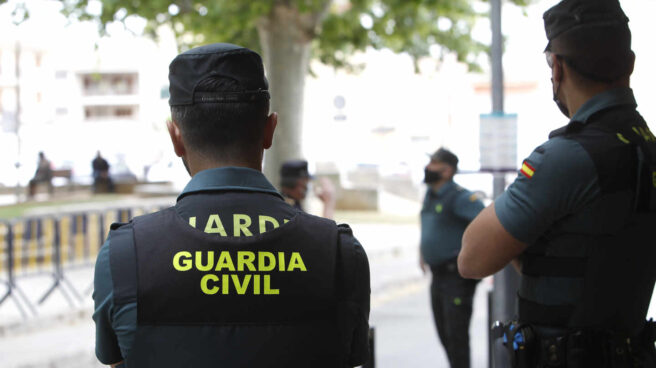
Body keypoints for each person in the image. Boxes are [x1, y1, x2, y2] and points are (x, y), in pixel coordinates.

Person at [92, 43, 371, 368]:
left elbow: (118, 361)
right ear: (269, 130)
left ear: (175, 137)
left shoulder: (126, 254)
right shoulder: (339, 253)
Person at [458, 0, 656, 366]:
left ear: (558, 69)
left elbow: (472, 258)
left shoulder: (567, 157)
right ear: (630, 64)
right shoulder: (645, 147)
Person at [419, 148, 484, 368]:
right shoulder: (430, 194)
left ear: (447, 171)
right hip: (438, 275)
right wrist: (423, 252)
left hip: (455, 277)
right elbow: (429, 227)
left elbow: (484, 226)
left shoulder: (460, 197)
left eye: (434, 163)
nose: (428, 167)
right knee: (444, 334)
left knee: (457, 337)